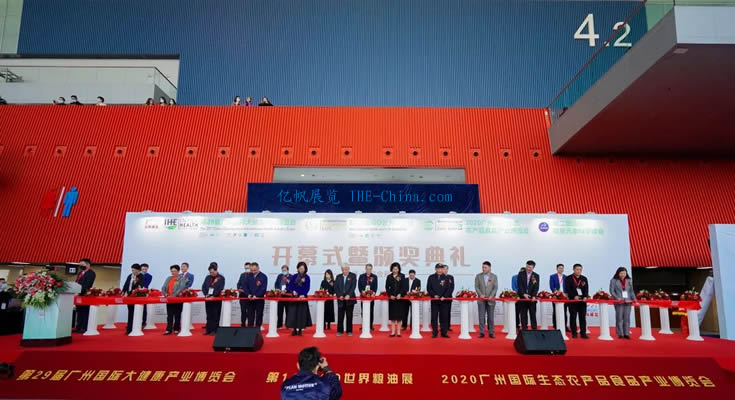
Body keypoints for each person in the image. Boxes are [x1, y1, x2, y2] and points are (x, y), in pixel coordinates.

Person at [564, 263, 589, 339]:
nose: (578, 271)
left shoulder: (584, 278)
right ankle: (574, 333)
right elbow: (567, 289)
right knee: (573, 317)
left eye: (580, 270)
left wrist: (585, 296)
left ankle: (583, 333)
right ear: (573, 269)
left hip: (582, 301)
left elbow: (586, 289)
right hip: (573, 301)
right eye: (577, 269)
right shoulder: (568, 278)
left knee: (582, 318)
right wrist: (574, 296)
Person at [287, 261, 311, 336]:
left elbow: (307, 287)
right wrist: (293, 291)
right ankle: (294, 329)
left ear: (305, 269)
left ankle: (300, 329)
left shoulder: (307, 277)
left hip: (302, 298)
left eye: (303, 269)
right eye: (300, 268)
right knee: (293, 314)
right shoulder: (294, 276)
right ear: (297, 268)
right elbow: (290, 286)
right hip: (294, 297)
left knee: (301, 314)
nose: (301, 270)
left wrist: (302, 294)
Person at [474, 261, 498, 338]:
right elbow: (476, 287)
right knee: (481, 317)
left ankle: (491, 332)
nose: (483, 269)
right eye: (483, 267)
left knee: (491, 317)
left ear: (489, 268)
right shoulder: (478, 276)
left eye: (485, 267)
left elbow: (495, 288)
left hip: (491, 300)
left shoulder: (494, 276)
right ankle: (481, 332)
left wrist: (491, 295)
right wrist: (480, 294)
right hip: (481, 299)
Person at [610, 267, 634, 339]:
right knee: (619, 317)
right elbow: (612, 291)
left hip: (628, 301)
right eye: (621, 273)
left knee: (627, 318)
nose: (623, 274)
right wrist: (617, 298)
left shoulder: (629, 280)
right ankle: (620, 334)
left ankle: (626, 333)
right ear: (618, 273)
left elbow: (631, 291)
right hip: (619, 301)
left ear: (626, 273)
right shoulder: (613, 280)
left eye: (624, 273)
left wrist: (635, 300)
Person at [161, 264, 186, 335]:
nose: (173, 273)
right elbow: (163, 287)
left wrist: (173, 296)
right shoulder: (168, 278)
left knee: (177, 314)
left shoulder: (182, 279)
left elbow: (181, 288)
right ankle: (168, 329)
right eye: (172, 271)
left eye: (174, 271)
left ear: (178, 271)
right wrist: (165, 294)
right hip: (169, 299)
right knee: (169, 315)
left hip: (177, 299)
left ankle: (176, 328)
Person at [385, 262, 408, 337]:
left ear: (399, 269)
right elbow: (387, 287)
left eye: (396, 269)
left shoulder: (402, 276)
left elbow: (404, 287)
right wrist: (390, 295)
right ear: (391, 269)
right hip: (392, 299)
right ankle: (392, 332)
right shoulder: (389, 277)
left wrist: (400, 294)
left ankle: (398, 332)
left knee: (399, 317)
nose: (395, 270)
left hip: (399, 299)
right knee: (392, 317)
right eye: (394, 269)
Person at [202, 262, 225, 335]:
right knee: (209, 315)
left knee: (215, 315)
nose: (211, 273)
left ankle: (214, 330)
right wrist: (206, 294)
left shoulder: (221, 278)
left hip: (216, 299)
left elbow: (220, 288)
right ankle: (208, 330)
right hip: (208, 299)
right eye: (210, 272)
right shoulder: (208, 277)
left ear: (216, 270)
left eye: (212, 272)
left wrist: (214, 295)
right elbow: (203, 287)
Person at [73, 258, 96, 333]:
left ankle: (84, 327)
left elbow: (87, 285)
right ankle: (78, 327)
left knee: (84, 311)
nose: (81, 266)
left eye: (82, 264)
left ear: (88, 264)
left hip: (85, 295)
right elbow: (77, 283)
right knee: (79, 311)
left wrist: (79, 292)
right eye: (80, 264)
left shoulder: (91, 273)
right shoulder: (80, 273)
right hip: (78, 295)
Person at [122, 263, 145, 334]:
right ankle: (129, 328)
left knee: (136, 313)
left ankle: (135, 328)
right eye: (132, 270)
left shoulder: (141, 276)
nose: (132, 271)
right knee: (130, 312)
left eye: (134, 270)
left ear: (138, 270)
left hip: (136, 296)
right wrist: (123, 291)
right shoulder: (130, 276)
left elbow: (140, 285)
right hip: (129, 296)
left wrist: (134, 291)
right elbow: (126, 284)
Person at [427, 263, 449, 338]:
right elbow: (429, 288)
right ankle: (435, 332)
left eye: (441, 269)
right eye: (438, 269)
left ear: (443, 269)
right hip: (434, 301)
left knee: (444, 317)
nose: (439, 270)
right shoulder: (431, 277)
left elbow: (449, 289)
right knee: (434, 317)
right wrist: (434, 295)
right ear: (435, 269)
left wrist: (444, 296)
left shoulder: (446, 278)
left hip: (444, 301)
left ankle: (444, 332)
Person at [334, 265, 357, 337]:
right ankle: (339, 331)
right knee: (340, 316)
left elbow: (353, 286)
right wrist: (339, 295)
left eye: (346, 269)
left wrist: (349, 295)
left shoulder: (353, 276)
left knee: (349, 316)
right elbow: (336, 287)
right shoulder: (338, 277)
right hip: (341, 299)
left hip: (349, 299)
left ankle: (349, 331)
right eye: (343, 270)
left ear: (348, 269)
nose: (344, 271)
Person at [516, 260, 539, 331]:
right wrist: (523, 294)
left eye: (530, 267)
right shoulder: (521, 274)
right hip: (523, 298)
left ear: (533, 267)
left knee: (533, 314)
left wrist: (534, 296)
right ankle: (524, 329)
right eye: (527, 267)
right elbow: (519, 285)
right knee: (523, 314)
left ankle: (534, 330)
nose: (528, 268)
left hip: (532, 299)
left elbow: (536, 287)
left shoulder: (536, 275)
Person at [246, 262, 267, 328]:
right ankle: (250, 328)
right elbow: (245, 286)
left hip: (259, 299)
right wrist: (248, 294)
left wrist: (257, 295)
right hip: (250, 299)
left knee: (259, 314)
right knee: (250, 314)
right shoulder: (248, 276)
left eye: (255, 270)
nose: (253, 272)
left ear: (258, 268)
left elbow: (263, 288)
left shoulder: (263, 276)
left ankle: (258, 327)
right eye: (251, 270)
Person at [357, 264, 378, 331]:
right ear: (365, 269)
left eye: (370, 269)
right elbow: (359, 286)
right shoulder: (361, 276)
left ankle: (370, 326)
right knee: (363, 311)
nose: (368, 270)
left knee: (371, 311)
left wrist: (373, 293)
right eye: (367, 269)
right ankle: (363, 325)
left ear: (371, 269)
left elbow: (375, 286)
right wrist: (362, 292)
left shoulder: (374, 277)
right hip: (363, 297)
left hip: (371, 297)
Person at [549, 263, 569, 331]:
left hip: (564, 296)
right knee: (555, 311)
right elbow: (552, 286)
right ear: (557, 269)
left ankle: (565, 326)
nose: (561, 269)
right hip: (556, 296)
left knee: (564, 311)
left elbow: (567, 287)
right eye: (560, 268)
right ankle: (555, 325)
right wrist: (557, 293)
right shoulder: (552, 276)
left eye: (562, 268)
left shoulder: (566, 277)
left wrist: (566, 294)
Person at [237, 262, 252, 327]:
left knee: (250, 311)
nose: (246, 269)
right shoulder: (242, 275)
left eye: (248, 268)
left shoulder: (253, 275)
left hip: (249, 296)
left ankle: (250, 325)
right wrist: (239, 288)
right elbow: (238, 283)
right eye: (245, 268)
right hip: (242, 296)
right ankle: (243, 324)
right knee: (243, 311)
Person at [442, 264, 455, 331]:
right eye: (444, 269)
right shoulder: (440, 277)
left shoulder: (451, 277)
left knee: (448, 312)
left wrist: (446, 296)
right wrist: (442, 296)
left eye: (446, 269)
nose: (445, 270)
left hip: (448, 298)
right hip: (441, 298)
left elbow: (452, 287)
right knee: (442, 313)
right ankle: (442, 326)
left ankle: (448, 326)